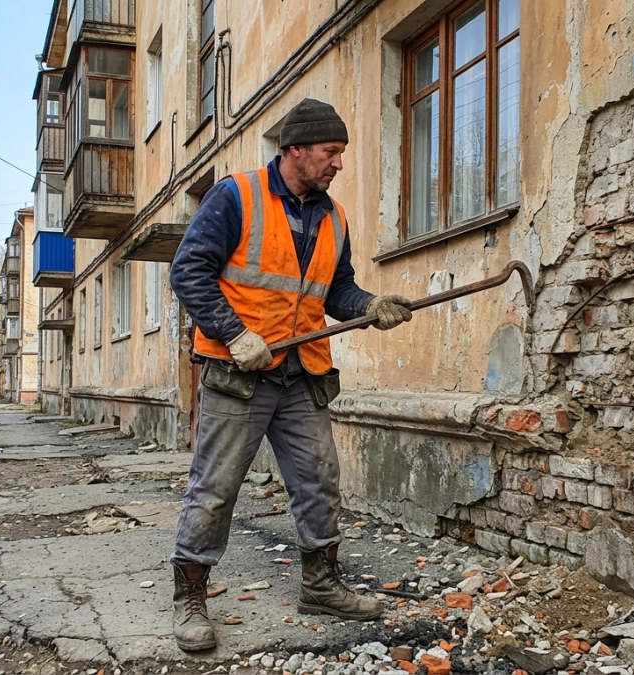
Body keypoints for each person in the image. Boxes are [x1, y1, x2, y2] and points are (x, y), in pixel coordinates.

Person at [167, 98, 413, 651]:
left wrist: (371, 305)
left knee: (319, 482)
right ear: (295, 150)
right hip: (239, 375)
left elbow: (337, 291)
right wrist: (234, 334)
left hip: (302, 374)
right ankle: (190, 599)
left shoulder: (334, 216)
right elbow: (188, 270)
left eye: (342, 154)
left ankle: (321, 585)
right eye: (331, 152)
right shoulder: (236, 196)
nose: (339, 164)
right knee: (214, 489)